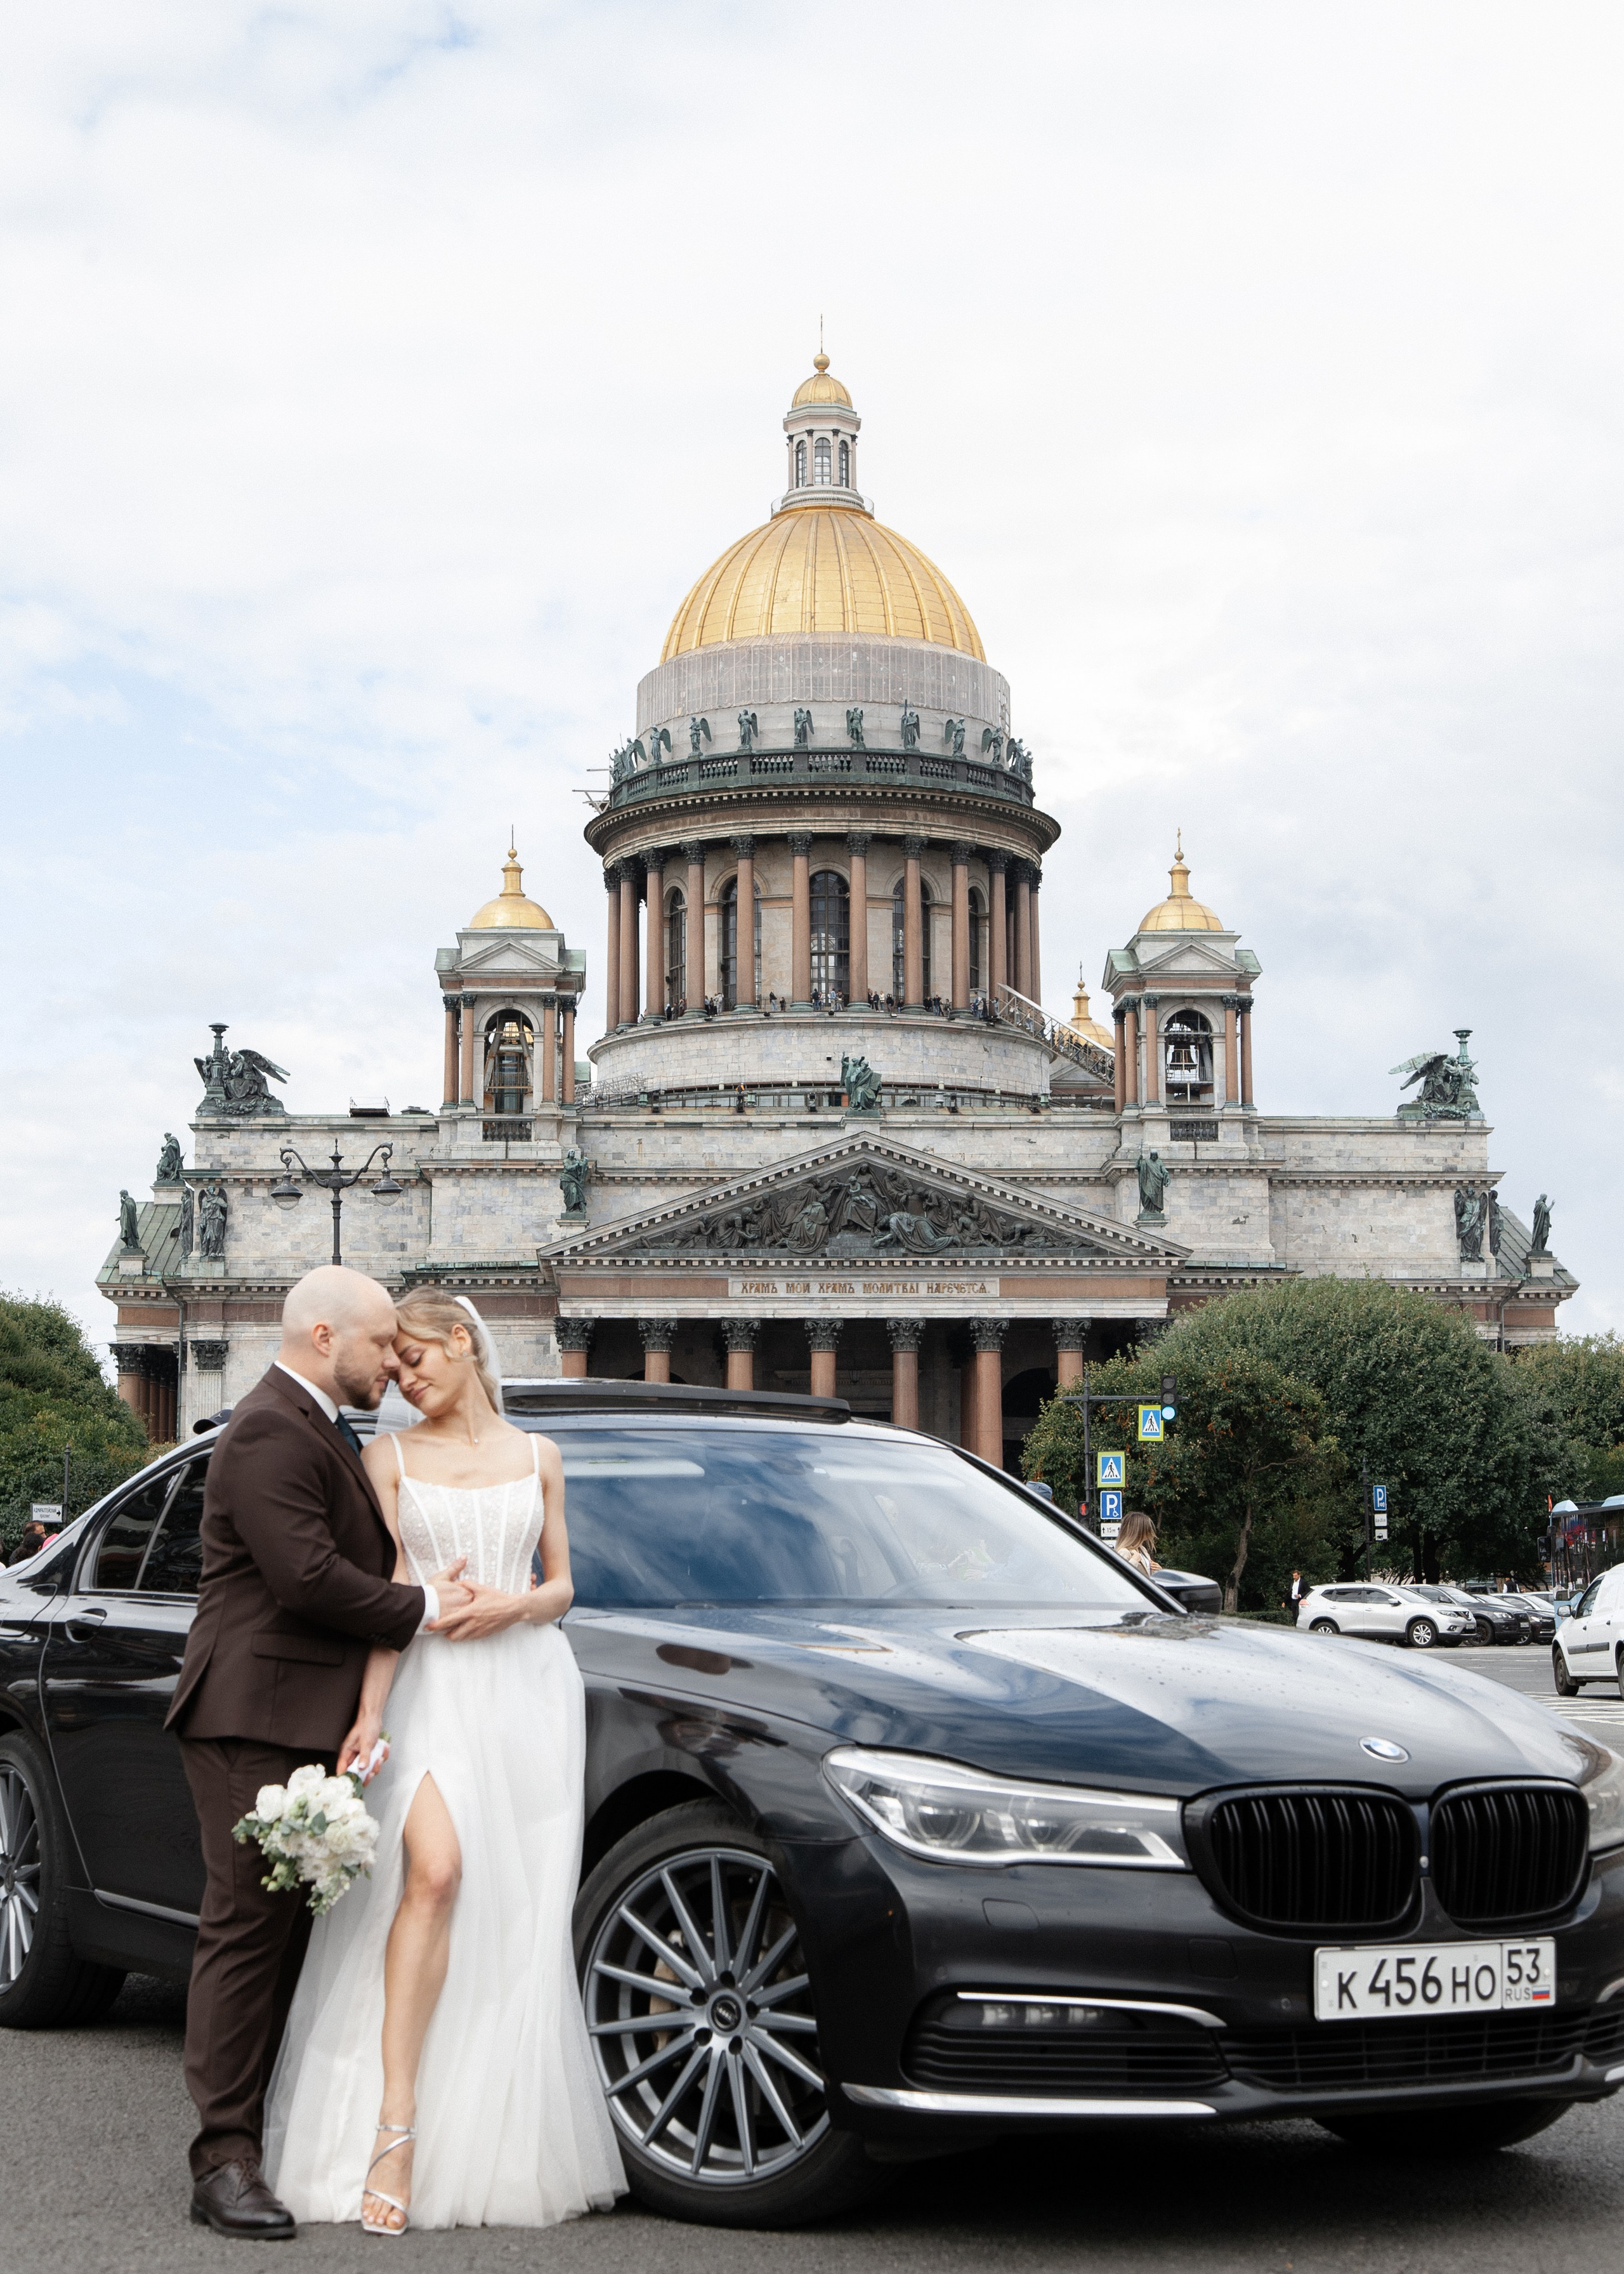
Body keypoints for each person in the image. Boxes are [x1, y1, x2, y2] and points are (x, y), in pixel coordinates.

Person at [264, 1289, 623, 2233]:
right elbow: (389, 1591)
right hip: (429, 1690)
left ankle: (489, 2130)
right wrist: (370, 1714)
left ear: (463, 1344)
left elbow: (563, 1586)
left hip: (528, 1693)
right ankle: (395, 2123)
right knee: (435, 1873)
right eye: (395, 1363)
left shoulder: (539, 1456)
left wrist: (513, 1606)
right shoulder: (385, 1458)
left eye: (415, 1359)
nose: (401, 1377)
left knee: (509, 1912)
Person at [167, 1266, 475, 2241]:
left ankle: (257, 2142)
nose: (393, 1359)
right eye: (381, 1343)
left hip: (302, 1718)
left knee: (283, 1936)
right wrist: (427, 1607)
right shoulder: (265, 1429)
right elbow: (305, 1577)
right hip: (251, 1715)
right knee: (246, 1935)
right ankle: (220, 2164)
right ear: (323, 1337)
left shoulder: (317, 1426)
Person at [1115, 1509, 1160, 1576]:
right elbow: (1119, 1576)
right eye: (1146, 1529)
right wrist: (1134, 1562)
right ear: (1139, 1531)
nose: (1150, 1532)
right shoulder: (1124, 1552)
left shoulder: (1143, 1550)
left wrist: (1158, 1571)